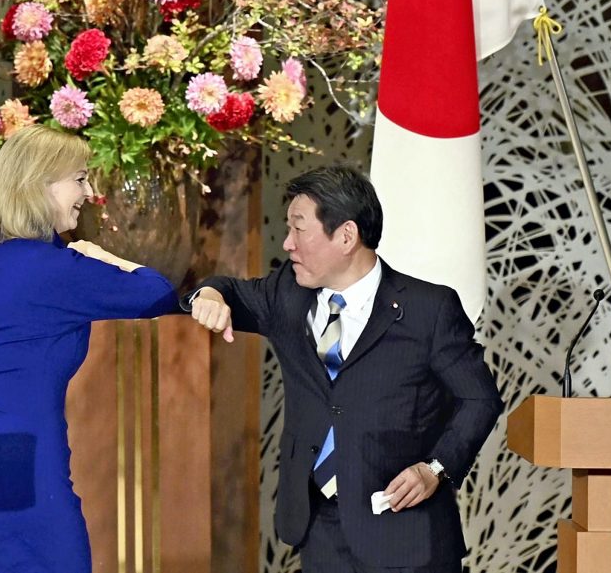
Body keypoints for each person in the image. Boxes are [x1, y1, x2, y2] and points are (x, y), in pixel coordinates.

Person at [188, 165, 502, 573]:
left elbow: (480, 399)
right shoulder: (288, 294)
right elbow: (226, 289)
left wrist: (435, 469)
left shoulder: (429, 309)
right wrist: (210, 295)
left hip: (406, 532)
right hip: (319, 529)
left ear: (347, 236)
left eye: (299, 229)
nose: (287, 243)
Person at [0, 125, 178, 573]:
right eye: (80, 179)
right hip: (31, 465)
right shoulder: (64, 270)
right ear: (40, 185)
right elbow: (158, 293)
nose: (88, 192)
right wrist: (102, 257)